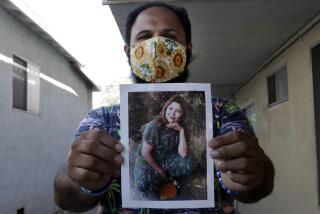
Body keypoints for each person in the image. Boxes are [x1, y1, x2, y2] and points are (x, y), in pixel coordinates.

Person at [54, 2, 275, 214]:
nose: (157, 45)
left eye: (169, 37)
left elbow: (259, 187)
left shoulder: (223, 111)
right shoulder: (102, 119)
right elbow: (66, 197)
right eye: (144, 37)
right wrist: (82, 178)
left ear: (187, 49)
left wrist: (252, 174)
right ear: (129, 51)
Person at [134, 95, 195, 195]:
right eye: (170, 109)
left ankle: (168, 178)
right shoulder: (154, 126)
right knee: (141, 184)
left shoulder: (180, 127)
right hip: (149, 159)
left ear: (182, 114)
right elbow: (145, 153)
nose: (172, 113)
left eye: (178, 111)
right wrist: (160, 171)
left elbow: (183, 154)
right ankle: (168, 178)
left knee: (188, 162)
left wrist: (182, 131)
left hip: (167, 158)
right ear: (166, 108)